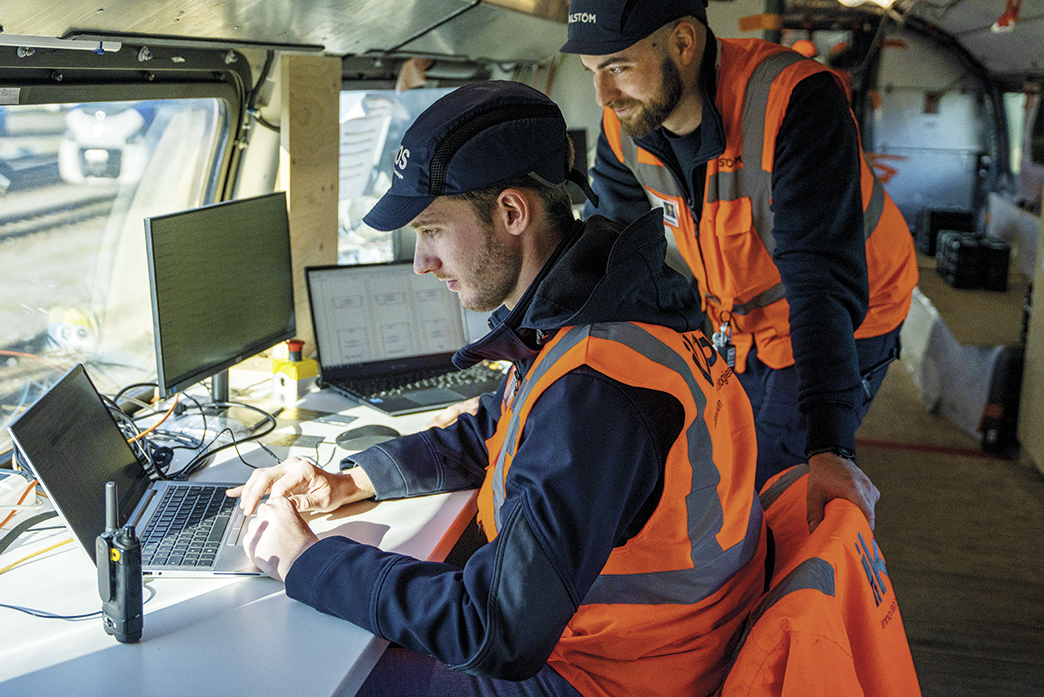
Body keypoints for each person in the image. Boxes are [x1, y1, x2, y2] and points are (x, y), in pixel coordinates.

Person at [230, 81, 766, 697]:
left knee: (310, 677)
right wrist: (352, 480)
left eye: (431, 230)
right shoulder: (599, 306)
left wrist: (307, 562)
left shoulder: (596, 384)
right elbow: (503, 423)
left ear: (512, 214)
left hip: (614, 676)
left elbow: (495, 628)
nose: (421, 263)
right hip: (660, 646)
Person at [560, 0, 918, 531]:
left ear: (683, 41)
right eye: (592, 73)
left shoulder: (795, 101)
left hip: (846, 312)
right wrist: (534, 362)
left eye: (619, 66)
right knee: (727, 459)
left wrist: (831, 446)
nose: (604, 95)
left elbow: (818, 278)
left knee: (778, 487)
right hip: (738, 319)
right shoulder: (624, 124)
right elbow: (608, 257)